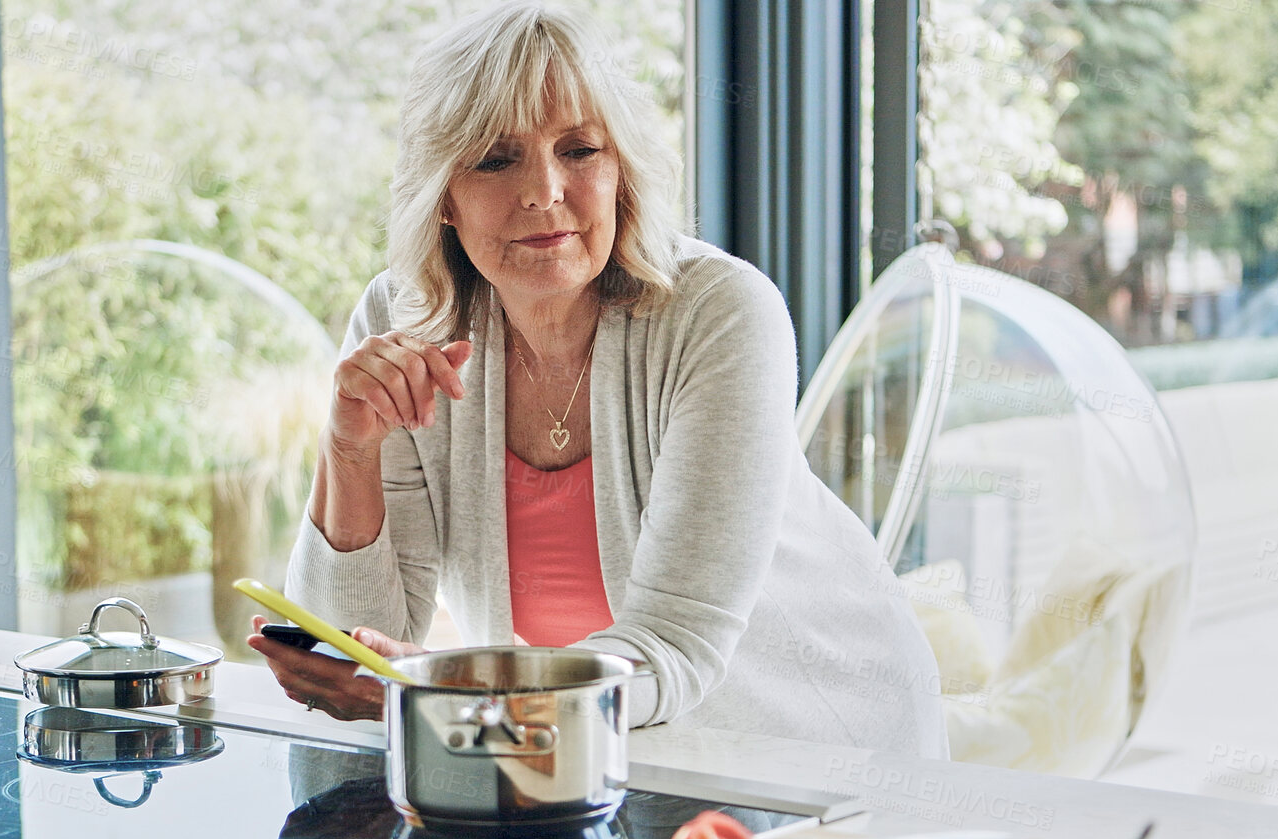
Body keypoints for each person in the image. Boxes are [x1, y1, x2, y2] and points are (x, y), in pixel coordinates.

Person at [248, 2, 947, 755]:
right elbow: (350, 651)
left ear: (621, 171)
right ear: (442, 196)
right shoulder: (404, 317)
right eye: (494, 158)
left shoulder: (722, 313)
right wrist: (348, 451)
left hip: (821, 755)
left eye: (579, 150)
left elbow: (676, 645)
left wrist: (464, 687)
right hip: (583, 750)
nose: (544, 190)